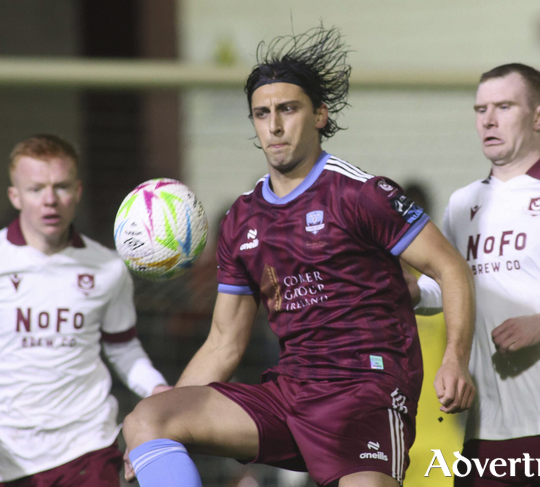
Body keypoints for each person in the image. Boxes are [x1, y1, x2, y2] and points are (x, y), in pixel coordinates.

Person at [123, 26, 476, 487]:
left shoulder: (361, 194)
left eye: (287, 109)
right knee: (147, 420)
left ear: (320, 115)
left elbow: (452, 268)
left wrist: (455, 359)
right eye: (261, 113)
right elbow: (223, 343)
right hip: (288, 393)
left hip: (363, 394)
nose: (274, 125)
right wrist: (150, 450)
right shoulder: (242, 219)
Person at [415, 64, 540, 485]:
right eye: (480, 109)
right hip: (486, 433)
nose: (488, 120)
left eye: (504, 106)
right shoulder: (463, 203)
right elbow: (452, 288)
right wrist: (406, 291)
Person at [0, 134, 170, 486]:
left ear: (78, 191)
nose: (50, 200)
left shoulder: (108, 267)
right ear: (15, 196)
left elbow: (123, 347)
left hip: (90, 447)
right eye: (36, 189)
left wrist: (157, 390)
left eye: (61, 186)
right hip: (8, 458)